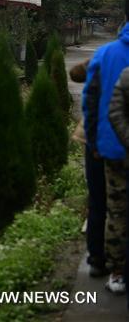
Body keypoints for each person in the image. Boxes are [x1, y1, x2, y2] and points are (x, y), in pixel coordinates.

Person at [84, 9, 129, 294]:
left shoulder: (105, 54)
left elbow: (90, 101)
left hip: (108, 147)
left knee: (106, 206)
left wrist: (92, 141)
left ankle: (103, 262)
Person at [72, 58, 107, 278]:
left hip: (96, 139)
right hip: (111, 139)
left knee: (97, 200)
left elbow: (75, 73)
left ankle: (96, 257)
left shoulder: (106, 55)